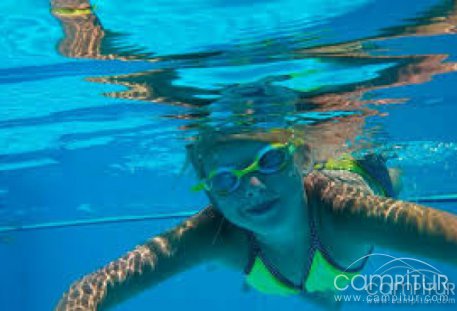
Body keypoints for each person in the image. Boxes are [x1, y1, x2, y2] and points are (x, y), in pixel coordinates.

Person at [55, 127, 457, 311]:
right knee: (319, 292)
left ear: (300, 159)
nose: (249, 186)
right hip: (308, 273)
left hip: (362, 175)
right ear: (211, 194)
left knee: (393, 176)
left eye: (267, 161)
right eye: (226, 180)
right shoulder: (214, 231)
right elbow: (91, 289)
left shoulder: (346, 214)